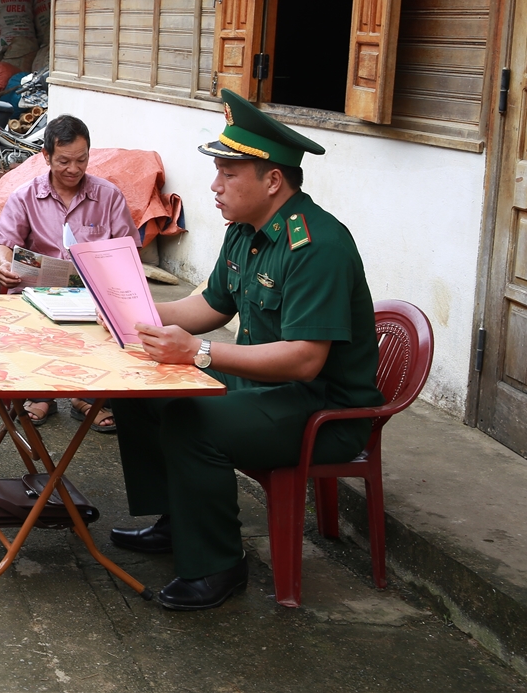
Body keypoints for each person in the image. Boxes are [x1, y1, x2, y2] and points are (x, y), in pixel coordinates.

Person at [108, 91, 384, 611]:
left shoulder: (317, 246)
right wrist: (127, 310)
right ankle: (179, 521)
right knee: (140, 389)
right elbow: (211, 306)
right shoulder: (246, 231)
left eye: (229, 173)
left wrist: (199, 354)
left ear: (272, 181)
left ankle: (217, 567)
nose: (214, 185)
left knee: (193, 423)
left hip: (321, 406)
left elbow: (305, 360)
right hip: (265, 386)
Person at [0, 114, 137, 430]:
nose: (73, 169)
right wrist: (4, 264)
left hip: (94, 293)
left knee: (109, 320)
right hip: (35, 292)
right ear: (46, 156)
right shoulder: (25, 195)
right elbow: (3, 243)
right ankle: (40, 394)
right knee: (31, 320)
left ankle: (87, 397)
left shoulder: (108, 195)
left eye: (81, 160)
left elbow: (128, 251)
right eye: (64, 161)